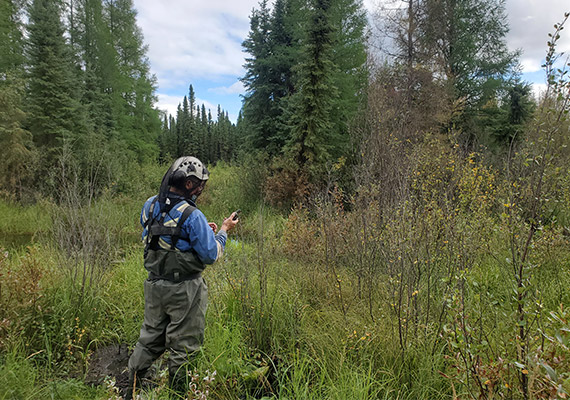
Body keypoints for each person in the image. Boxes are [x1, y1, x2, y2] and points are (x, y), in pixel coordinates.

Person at [125, 156, 238, 399]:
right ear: (189, 184)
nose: (200, 189)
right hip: (185, 290)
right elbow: (210, 255)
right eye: (199, 185)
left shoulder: (149, 205)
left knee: (150, 339)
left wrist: (198, 233)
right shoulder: (192, 214)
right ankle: (178, 394)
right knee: (184, 347)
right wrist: (224, 231)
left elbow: (161, 235)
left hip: (154, 285)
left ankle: (130, 385)